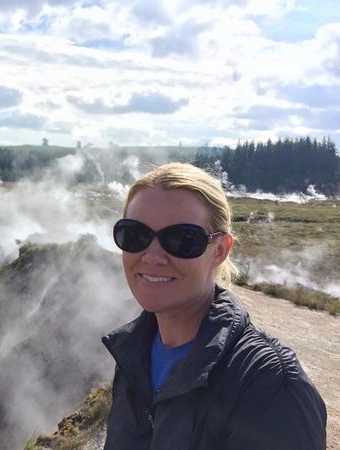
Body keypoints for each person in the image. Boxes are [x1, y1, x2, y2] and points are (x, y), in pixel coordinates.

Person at [102, 162, 326, 450]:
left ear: (219, 250)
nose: (153, 256)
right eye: (135, 235)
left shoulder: (271, 384)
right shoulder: (133, 354)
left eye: (182, 239)